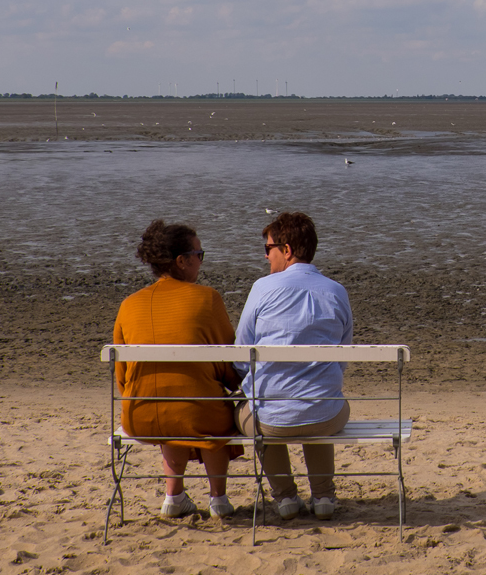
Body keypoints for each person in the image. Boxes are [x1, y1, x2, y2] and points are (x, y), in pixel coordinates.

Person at [112, 219, 242, 519]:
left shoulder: (129, 304)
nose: (201, 260)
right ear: (181, 262)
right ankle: (219, 499)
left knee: (171, 406)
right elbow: (228, 360)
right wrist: (232, 384)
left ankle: (174, 496)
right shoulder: (207, 298)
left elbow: (123, 376)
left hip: (139, 414)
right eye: (199, 254)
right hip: (197, 412)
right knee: (208, 410)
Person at [234, 211, 352, 521]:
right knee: (320, 398)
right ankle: (324, 496)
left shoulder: (262, 288)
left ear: (286, 251)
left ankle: (285, 497)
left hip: (272, 420)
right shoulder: (336, 291)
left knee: (257, 407)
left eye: (268, 248)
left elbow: (240, 354)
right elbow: (343, 355)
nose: (266, 256)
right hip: (326, 416)